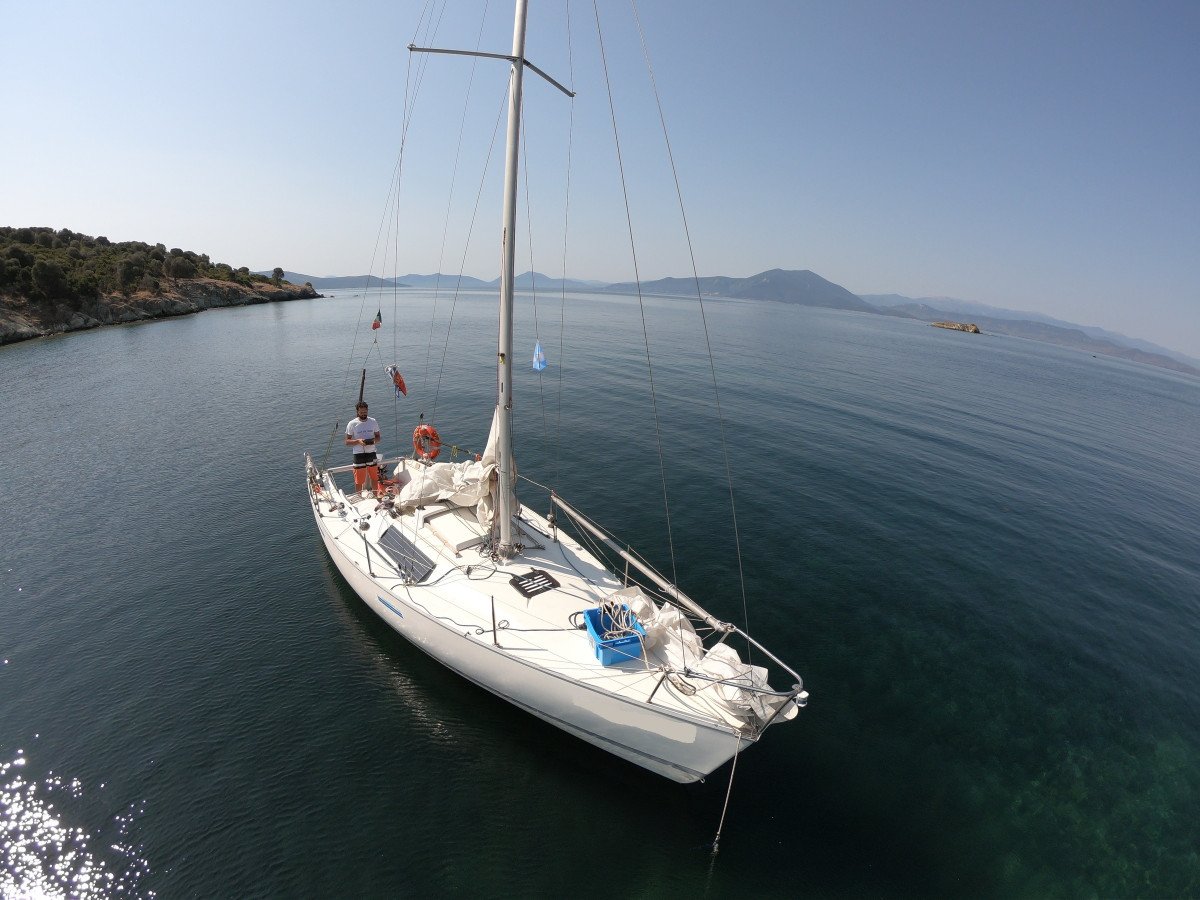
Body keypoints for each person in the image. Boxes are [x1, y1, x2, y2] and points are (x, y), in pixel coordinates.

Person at [345, 401, 381, 494]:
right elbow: (347, 441)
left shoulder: (373, 421)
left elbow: (378, 437)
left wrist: (373, 441)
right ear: (357, 412)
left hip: (371, 452)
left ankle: (376, 495)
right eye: (361, 412)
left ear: (367, 410)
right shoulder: (352, 423)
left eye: (365, 412)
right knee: (359, 480)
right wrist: (358, 441)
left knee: (374, 477)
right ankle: (359, 498)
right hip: (358, 454)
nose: (363, 414)